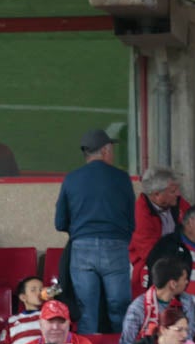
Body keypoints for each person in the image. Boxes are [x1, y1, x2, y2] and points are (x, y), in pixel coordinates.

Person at [55, 128, 135, 333]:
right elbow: (132, 220)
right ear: (106, 150)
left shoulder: (71, 179)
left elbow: (59, 222)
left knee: (87, 313)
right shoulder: (121, 178)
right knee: (120, 309)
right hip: (116, 248)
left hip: (82, 249)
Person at [122, 251, 195, 344]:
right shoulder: (138, 307)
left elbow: (189, 335)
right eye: (184, 279)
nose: (187, 282)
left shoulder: (186, 300)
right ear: (173, 284)